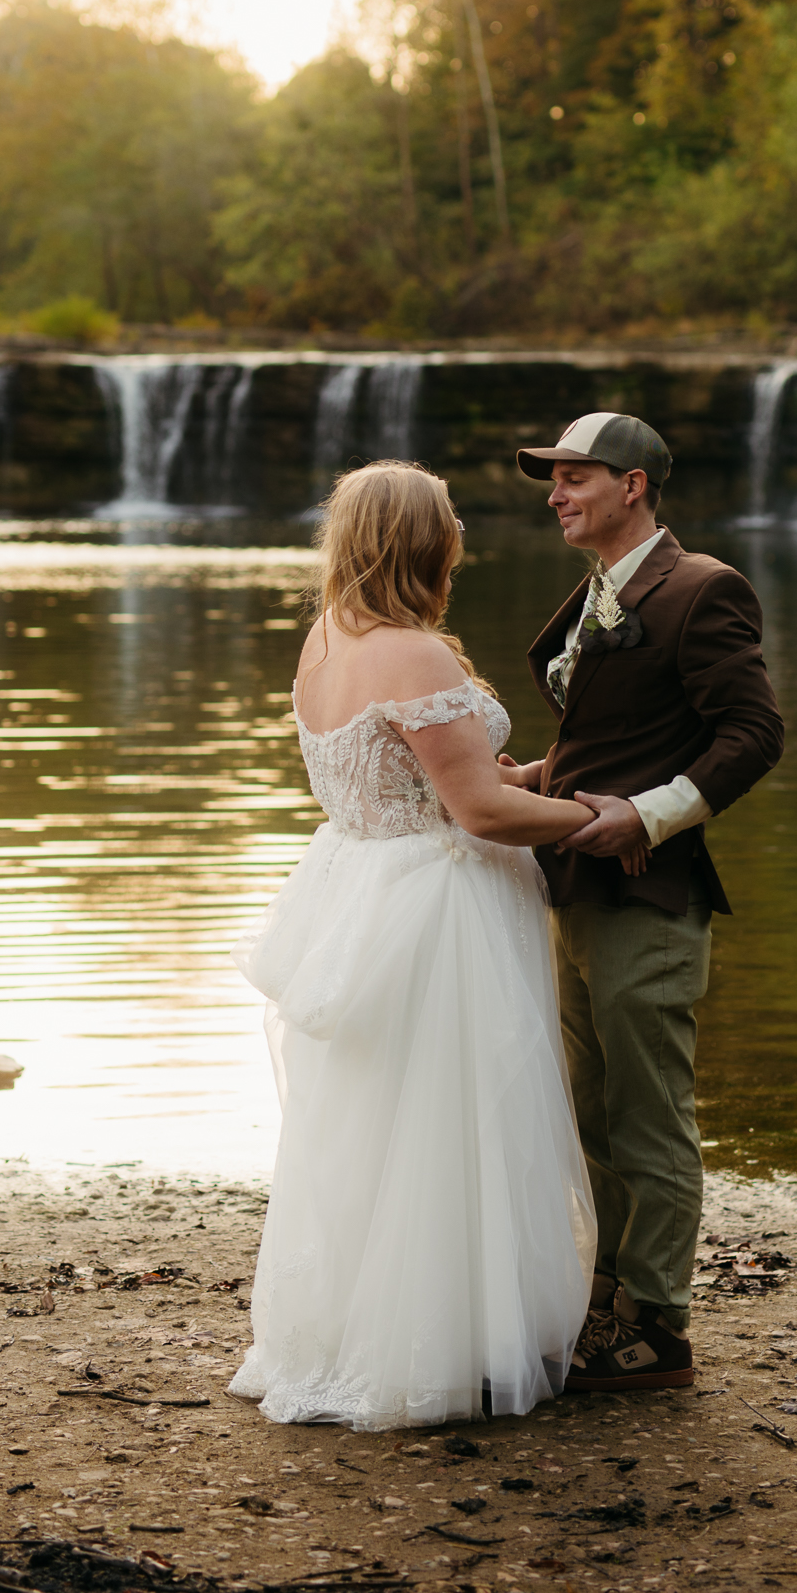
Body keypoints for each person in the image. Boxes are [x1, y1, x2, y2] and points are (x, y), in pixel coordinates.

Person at [228, 461, 598, 1432]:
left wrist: (540, 773)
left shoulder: (326, 639)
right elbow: (476, 811)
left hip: (358, 889)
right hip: (438, 908)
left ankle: (346, 1336)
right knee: (454, 1117)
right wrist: (597, 815)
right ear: (420, 542)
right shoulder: (417, 652)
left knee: (367, 1124)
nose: (461, 530)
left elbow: (429, 777)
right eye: (449, 521)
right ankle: (446, 1345)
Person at [511, 413, 785, 1392]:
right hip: (574, 889)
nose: (556, 492)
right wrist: (536, 775)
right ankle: (608, 1299)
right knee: (589, 1113)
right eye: (552, 478)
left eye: (574, 475)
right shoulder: (596, 595)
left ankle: (660, 1327)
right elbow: (620, 734)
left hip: (650, 893)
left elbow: (752, 733)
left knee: (650, 1116)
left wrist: (649, 815)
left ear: (634, 484)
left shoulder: (701, 587)